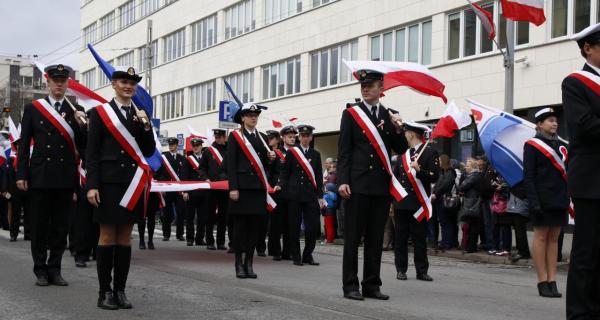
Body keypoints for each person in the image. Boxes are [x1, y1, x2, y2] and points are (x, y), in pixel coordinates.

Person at [86, 66, 156, 309]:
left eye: (133, 83)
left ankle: (121, 290)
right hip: (107, 183)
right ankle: (104, 292)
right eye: (124, 82)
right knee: (107, 236)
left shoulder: (141, 113)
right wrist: (91, 185)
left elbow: (148, 151)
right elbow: (91, 153)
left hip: (131, 184)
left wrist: (146, 126)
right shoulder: (100, 113)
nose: (129, 86)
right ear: (114, 84)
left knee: (125, 238)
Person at [338, 68, 407, 301]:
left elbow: (402, 148)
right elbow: (344, 151)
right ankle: (350, 285)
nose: (365, 89)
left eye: (370, 85)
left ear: (381, 88)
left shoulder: (389, 115)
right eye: (362, 86)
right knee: (353, 238)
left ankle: (371, 284)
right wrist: (342, 181)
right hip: (356, 185)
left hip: (379, 186)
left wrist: (399, 127)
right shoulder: (351, 114)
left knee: (376, 239)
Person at [17, 64, 87, 287]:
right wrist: (21, 174)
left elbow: (84, 148)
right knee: (39, 225)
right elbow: (24, 145)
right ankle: (40, 269)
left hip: (65, 175)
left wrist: (82, 126)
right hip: (40, 174)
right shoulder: (34, 108)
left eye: (63, 80)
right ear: (47, 81)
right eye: (55, 80)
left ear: (68, 83)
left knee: (60, 226)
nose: (59, 84)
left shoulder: (75, 109)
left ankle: (55, 269)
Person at [563, 23, 600, 319]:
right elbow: (585, 126)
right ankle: (579, 314)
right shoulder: (575, 83)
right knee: (586, 253)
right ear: (588, 48)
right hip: (591, 179)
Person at [523, 107, 570, 298]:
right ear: (540, 124)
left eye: (556, 120)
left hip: (559, 199)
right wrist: (534, 201)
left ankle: (553, 280)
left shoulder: (561, 145)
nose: (555, 123)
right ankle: (542, 281)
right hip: (541, 199)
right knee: (541, 238)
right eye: (550, 120)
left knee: (554, 239)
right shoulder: (532, 145)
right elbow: (529, 176)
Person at [227, 103, 275, 279]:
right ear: (242, 118)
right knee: (240, 228)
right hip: (241, 188)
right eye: (249, 115)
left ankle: (249, 263)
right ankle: (239, 263)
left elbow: (266, 166)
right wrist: (233, 187)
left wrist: (270, 158)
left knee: (255, 229)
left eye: (255, 115)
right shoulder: (235, 136)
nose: (253, 118)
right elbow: (230, 163)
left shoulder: (262, 137)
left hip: (257, 189)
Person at [393, 122, 439, 282]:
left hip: (418, 204)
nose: (404, 136)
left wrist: (419, 170)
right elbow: (396, 178)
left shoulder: (430, 152)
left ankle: (421, 271)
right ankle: (401, 269)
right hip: (401, 204)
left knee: (419, 239)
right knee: (400, 238)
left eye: (406, 133)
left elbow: (434, 176)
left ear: (411, 134)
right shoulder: (403, 155)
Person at [276, 125, 324, 266]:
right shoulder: (292, 153)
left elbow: (319, 177)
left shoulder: (316, 155)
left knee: (312, 227)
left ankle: (308, 255)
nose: (305, 138)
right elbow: (285, 172)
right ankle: (296, 255)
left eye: (307, 136)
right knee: (294, 227)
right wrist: (280, 184)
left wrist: (320, 195)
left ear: (311, 137)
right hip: (294, 195)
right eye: (302, 136)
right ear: (299, 137)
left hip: (310, 195)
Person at [269, 125, 296, 261]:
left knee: (289, 223)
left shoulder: (297, 153)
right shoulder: (276, 153)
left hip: (292, 192)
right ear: (283, 138)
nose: (292, 139)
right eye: (289, 137)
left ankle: (288, 251)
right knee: (277, 223)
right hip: (278, 193)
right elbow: (271, 172)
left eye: (293, 137)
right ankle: (275, 251)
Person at [201, 129, 229, 251]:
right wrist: (206, 178)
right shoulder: (208, 151)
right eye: (216, 137)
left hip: (225, 187)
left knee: (223, 216)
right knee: (210, 216)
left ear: (225, 137)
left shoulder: (229, 150)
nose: (218, 139)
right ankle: (210, 241)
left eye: (220, 137)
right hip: (212, 187)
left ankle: (221, 242)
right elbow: (201, 168)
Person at [181, 137, 209, 247]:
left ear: (201, 146)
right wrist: (185, 191)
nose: (196, 147)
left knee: (202, 217)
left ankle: (199, 238)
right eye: (194, 146)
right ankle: (190, 238)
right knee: (190, 217)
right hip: (191, 192)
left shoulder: (206, 158)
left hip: (203, 192)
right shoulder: (188, 159)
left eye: (197, 146)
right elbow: (184, 176)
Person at [2, 138, 31, 242]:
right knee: (15, 213)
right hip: (15, 190)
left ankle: (28, 234)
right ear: (15, 146)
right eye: (17, 144)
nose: (19, 146)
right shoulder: (10, 159)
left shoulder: (29, 158)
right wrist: (4, 189)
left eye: (21, 144)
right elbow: (5, 176)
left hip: (27, 189)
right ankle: (13, 234)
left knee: (29, 213)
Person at [158, 137, 186, 241]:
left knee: (180, 212)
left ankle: (180, 234)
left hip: (179, 189)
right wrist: (162, 187)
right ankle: (166, 234)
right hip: (168, 189)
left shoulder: (182, 158)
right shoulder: (164, 157)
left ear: (177, 145)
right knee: (166, 213)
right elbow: (159, 173)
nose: (171, 146)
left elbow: (184, 175)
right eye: (170, 144)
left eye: (173, 144)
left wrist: (184, 190)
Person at [431, 154, 458, 250]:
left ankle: (447, 242)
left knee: (446, 222)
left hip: (444, 200)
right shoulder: (442, 172)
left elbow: (444, 186)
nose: (438, 162)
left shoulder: (450, 173)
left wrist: (436, 193)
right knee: (443, 222)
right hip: (439, 199)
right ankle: (444, 241)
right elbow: (438, 184)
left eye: (439, 160)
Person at [457, 158, 483, 254]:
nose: (466, 168)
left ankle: (471, 247)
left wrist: (461, 186)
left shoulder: (473, 176)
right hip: (472, 201)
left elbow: (462, 186)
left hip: (472, 202)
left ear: (473, 167)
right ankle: (469, 246)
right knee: (471, 225)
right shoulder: (474, 175)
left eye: (468, 166)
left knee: (472, 225)